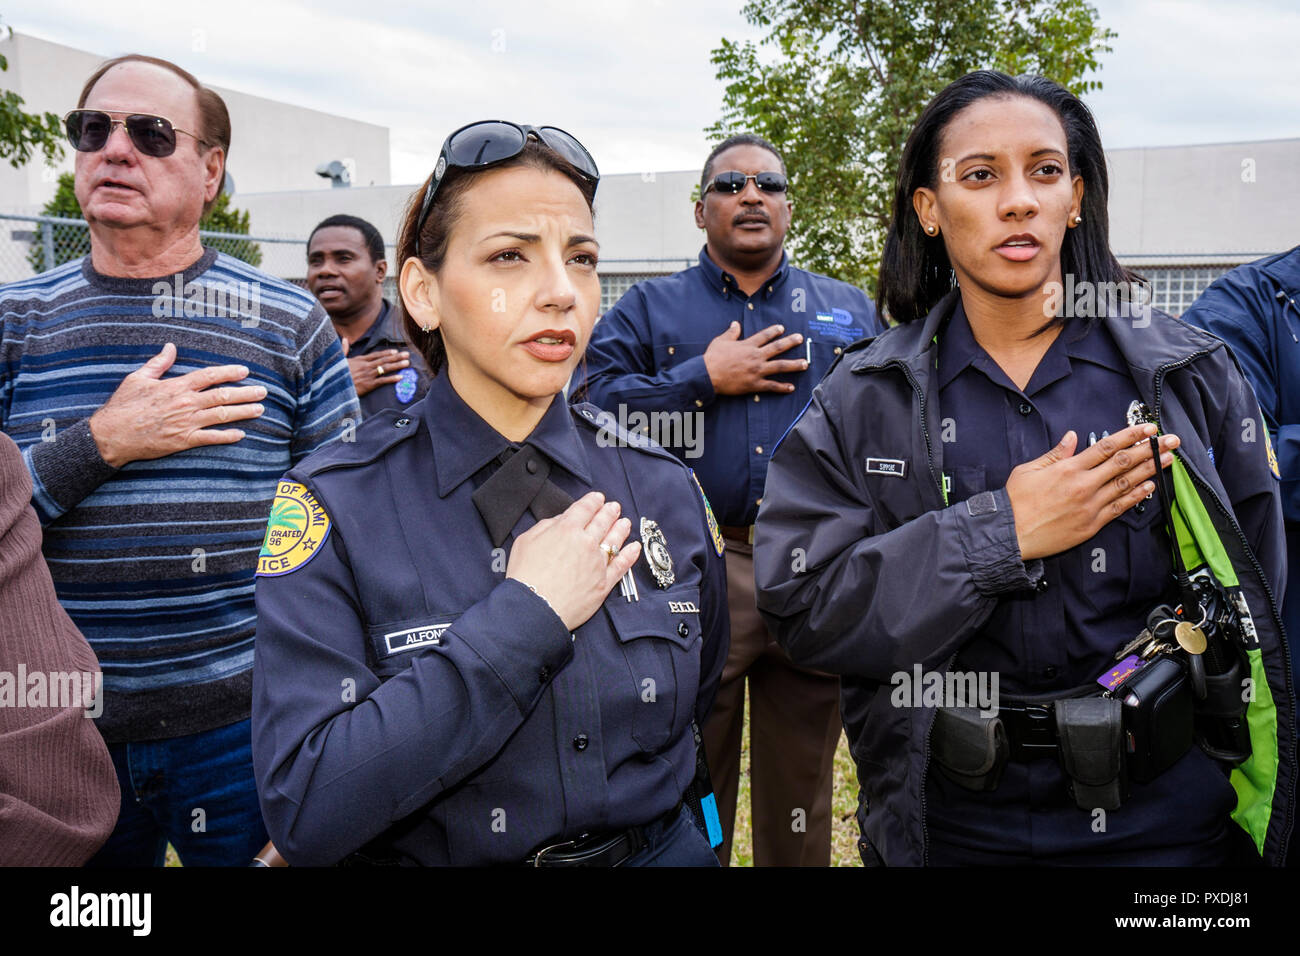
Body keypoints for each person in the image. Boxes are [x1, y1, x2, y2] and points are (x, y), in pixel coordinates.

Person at [755, 71, 1295, 865]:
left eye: (1045, 171)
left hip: (1167, 822)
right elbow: (803, 605)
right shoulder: (862, 395)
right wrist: (1000, 533)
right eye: (981, 175)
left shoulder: (1188, 375)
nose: (1019, 200)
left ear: (1076, 198)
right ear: (929, 210)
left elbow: (1262, 594)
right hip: (951, 824)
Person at [252, 121, 728, 866]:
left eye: (582, 258)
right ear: (424, 292)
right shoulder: (337, 505)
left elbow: (697, 724)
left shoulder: (661, 488)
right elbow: (309, 806)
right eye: (510, 256)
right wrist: (525, 618)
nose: (560, 292)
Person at [0, 54, 359, 866]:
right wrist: (100, 444)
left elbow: (352, 526)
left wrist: (327, 728)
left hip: (247, 726)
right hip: (56, 732)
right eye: (95, 130)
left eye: (151, 133)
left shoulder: (286, 321)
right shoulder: (14, 319)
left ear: (211, 172)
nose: (115, 150)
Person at [572, 133, 881, 866]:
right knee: (692, 769)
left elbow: (894, 422)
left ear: (788, 208)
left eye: (768, 184)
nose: (751, 195)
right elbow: (590, 410)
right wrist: (703, 378)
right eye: (731, 184)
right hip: (692, 566)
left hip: (816, 564)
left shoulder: (847, 309)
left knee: (805, 773)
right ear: (700, 209)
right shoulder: (650, 310)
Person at [0, 432, 120, 866]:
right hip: (51, 723)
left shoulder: (300, 360)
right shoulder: (15, 360)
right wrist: (100, 443)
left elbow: (319, 491)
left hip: (228, 715)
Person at [306, 214, 432, 417]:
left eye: (343, 259)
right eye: (316, 261)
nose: (325, 270)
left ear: (380, 270)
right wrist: (335, 387)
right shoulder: (295, 348)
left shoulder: (423, 339)